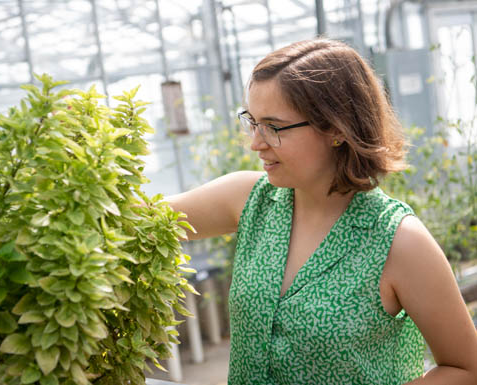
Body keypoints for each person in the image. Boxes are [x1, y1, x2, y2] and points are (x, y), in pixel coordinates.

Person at [166, 39, 477, 384]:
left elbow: (465, 368)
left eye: (273, 126)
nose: (256, 142)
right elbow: (141, 220)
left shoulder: (398, 241)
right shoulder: (248, 199)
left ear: (336, 129)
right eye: (252, 122)